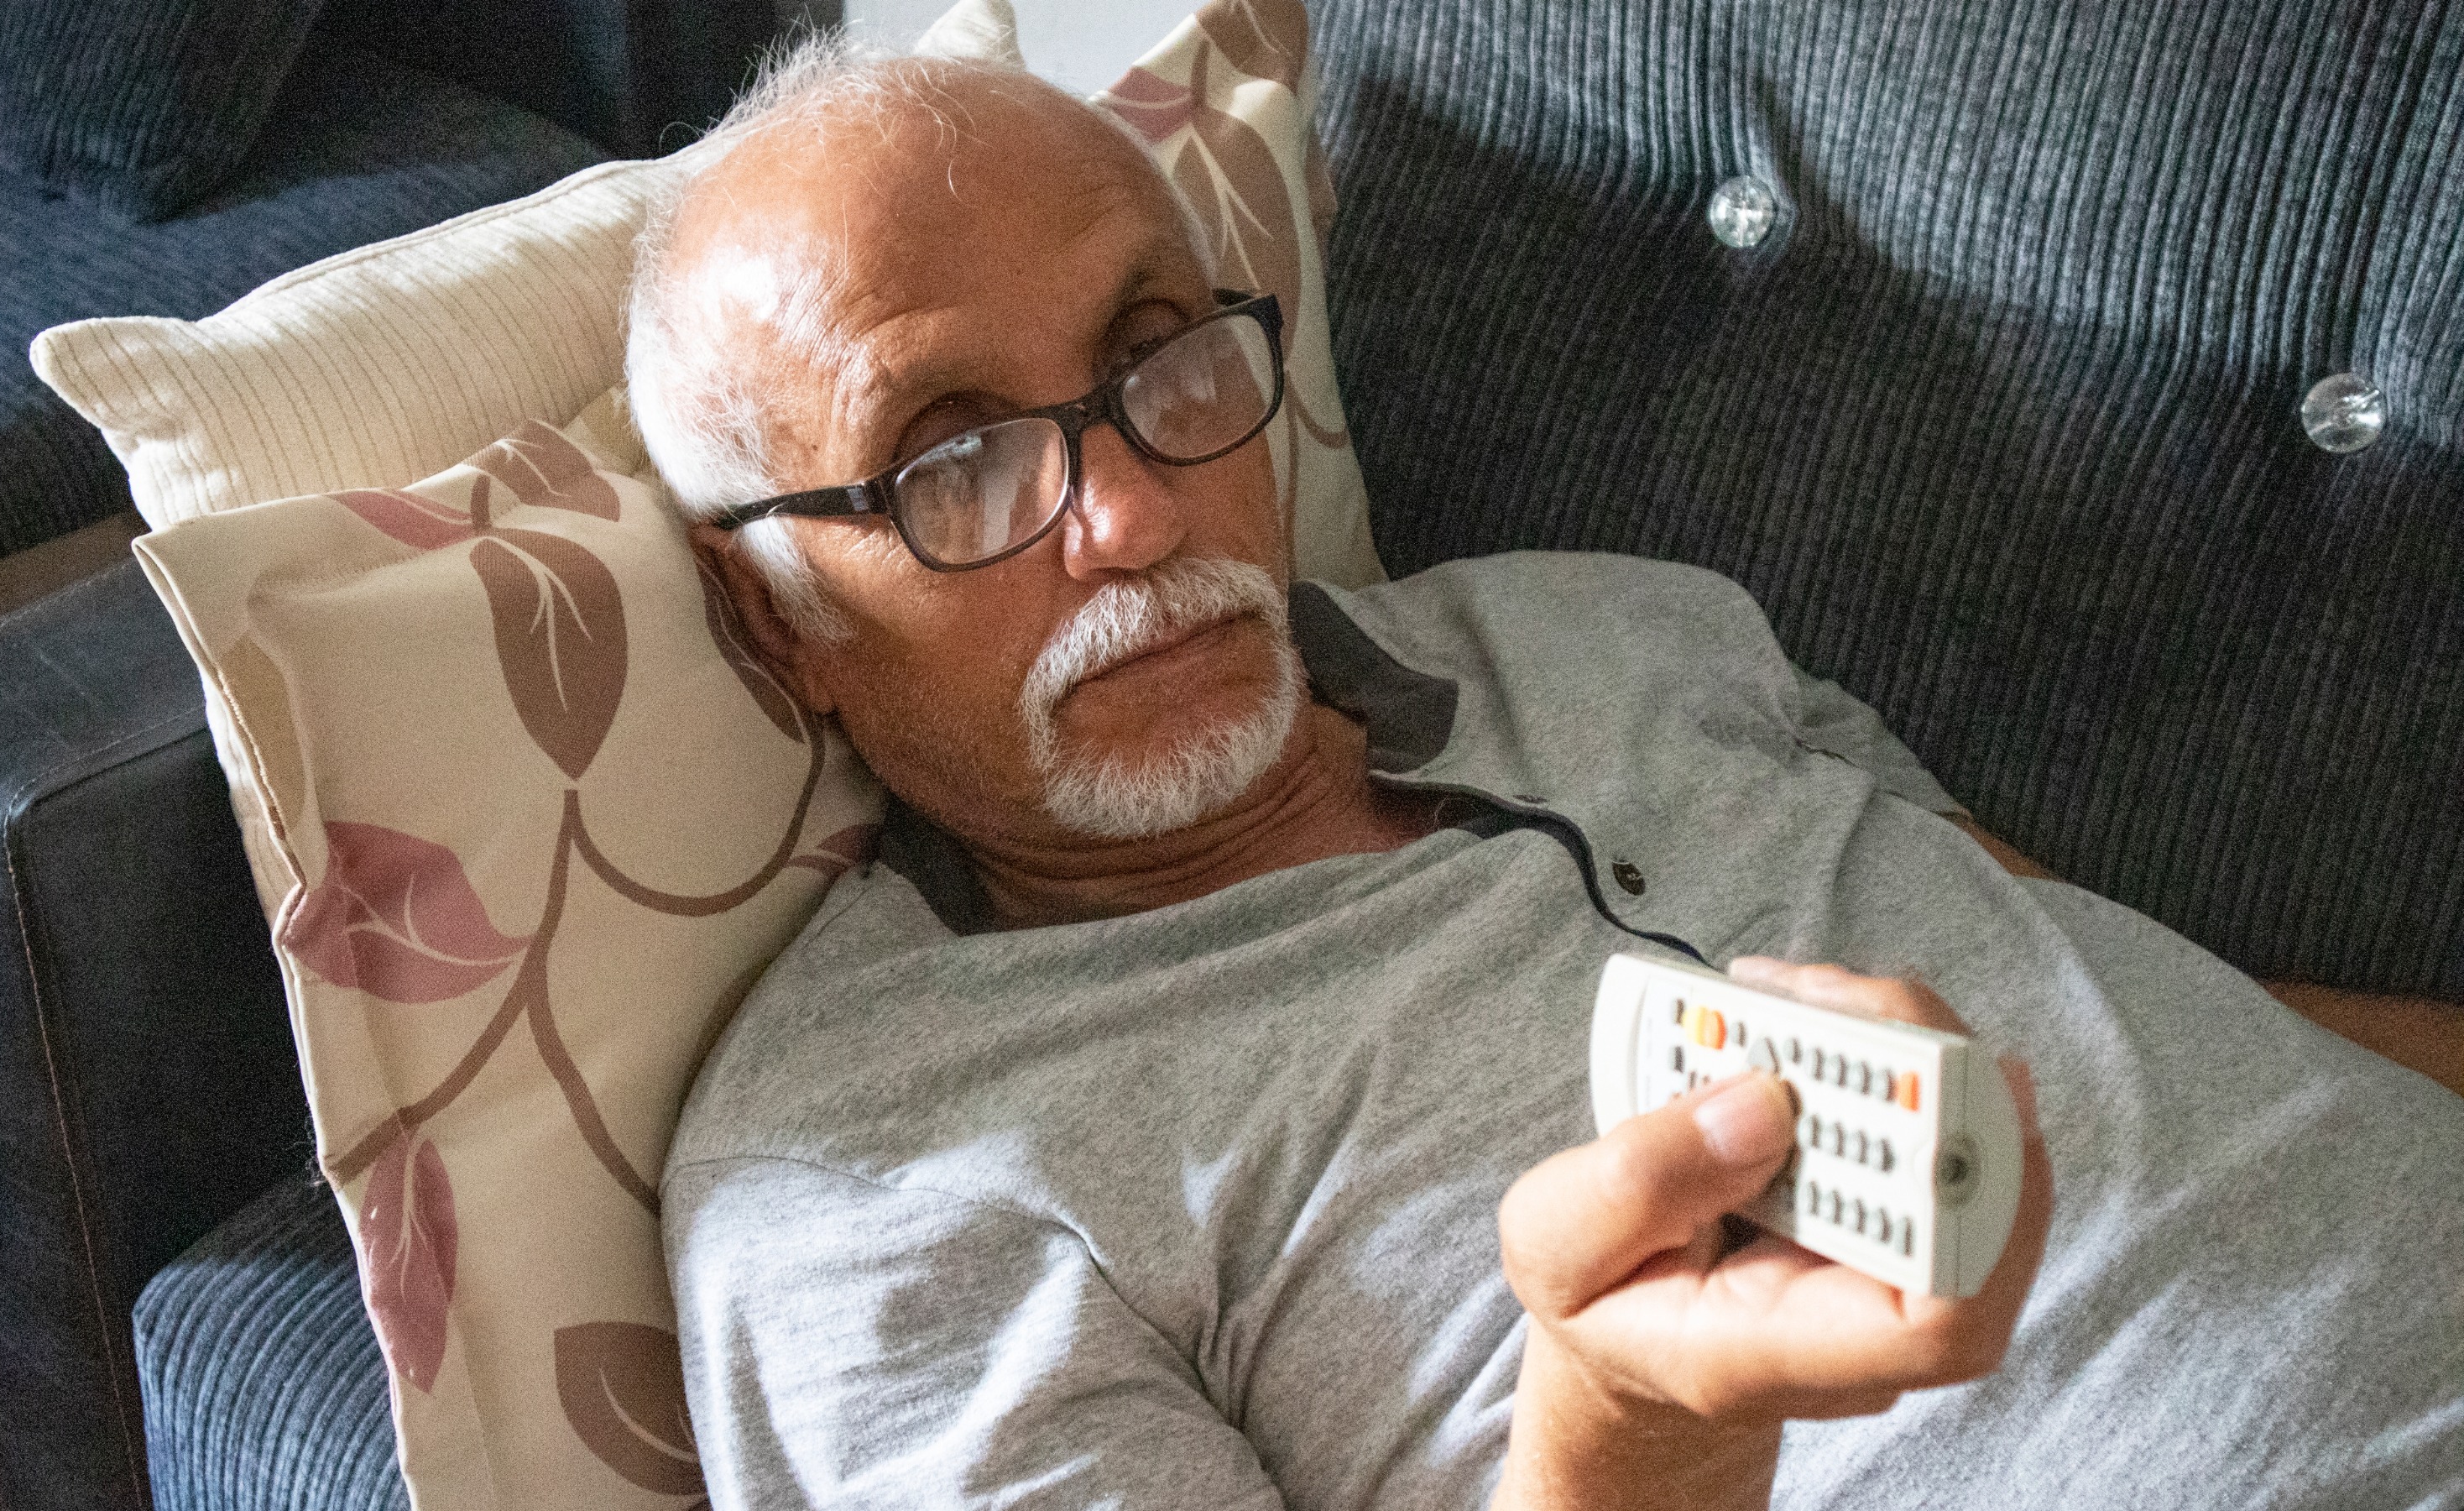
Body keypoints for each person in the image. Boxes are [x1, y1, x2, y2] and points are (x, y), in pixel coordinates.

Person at [628, 39, 2464, 1510]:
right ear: (773, 615)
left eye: (1156, 360)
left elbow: (2101, 956)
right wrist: (1630, 1429)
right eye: (950, 465)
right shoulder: (866, 1192)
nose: (1131, 510)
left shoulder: (1604, 620)